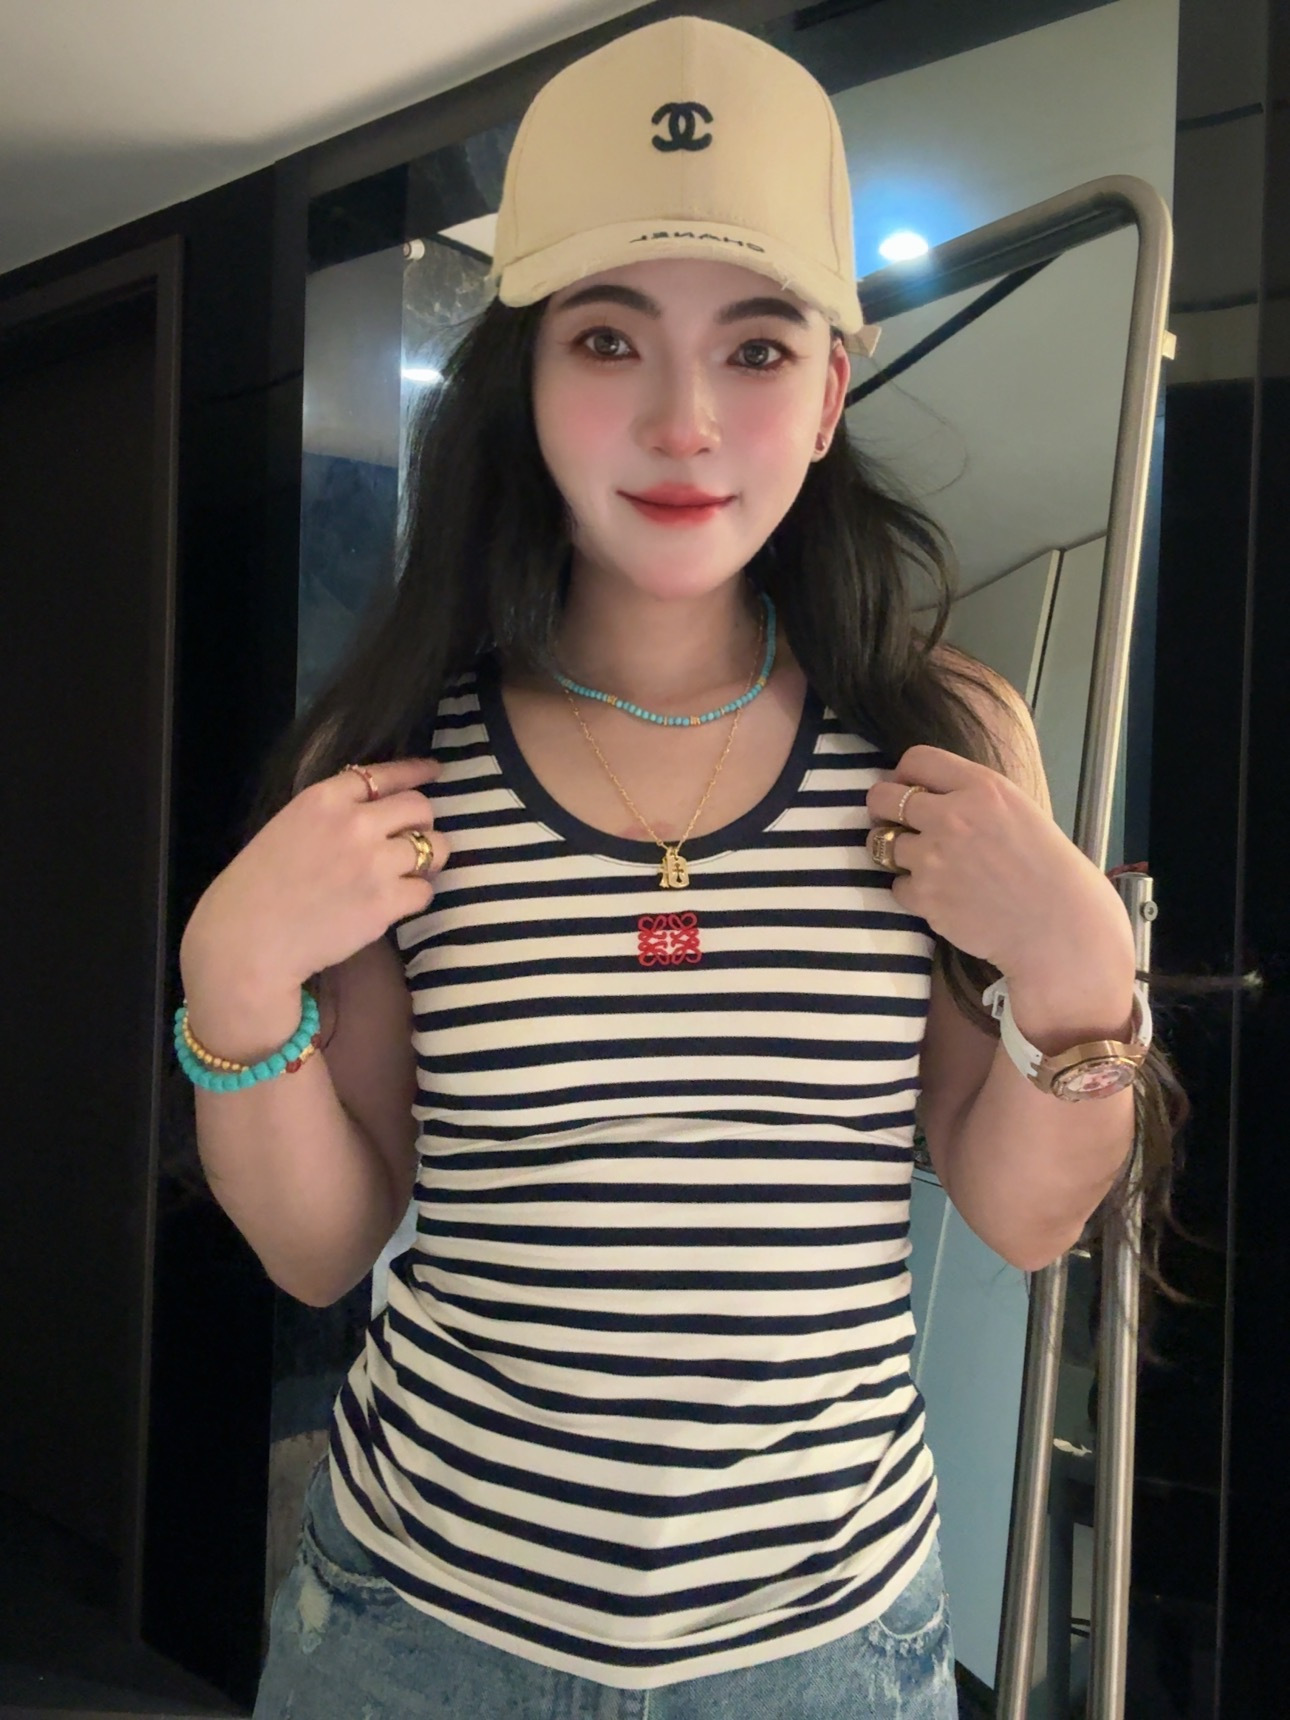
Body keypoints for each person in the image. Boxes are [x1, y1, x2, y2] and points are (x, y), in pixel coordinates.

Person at [176, 16, 1178, 1719]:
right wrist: (230, 980)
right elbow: (323, 1247)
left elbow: (1020, 1214)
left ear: (830, 392)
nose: (683, 421)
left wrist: (1084, 969)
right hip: (423, 1631)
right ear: (527, 378)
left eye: (757, 347)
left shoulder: (933, 740)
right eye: (607, 337)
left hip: (825, 1648)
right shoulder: (397, 756)